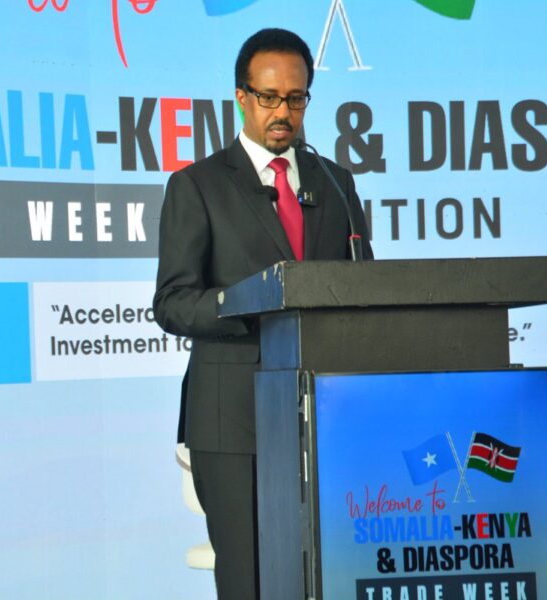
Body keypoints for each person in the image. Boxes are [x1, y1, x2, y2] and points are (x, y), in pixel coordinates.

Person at [153, 28, 372, 599]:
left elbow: (363, 284)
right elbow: (173, 301)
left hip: (326, 412)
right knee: (249, 580)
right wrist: (250, 305)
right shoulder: (197, 186)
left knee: (330, 572)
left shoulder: (336, 183)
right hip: (233, 418)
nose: (283, 112)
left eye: (296, 98)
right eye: (269, 97)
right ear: (241, 97)